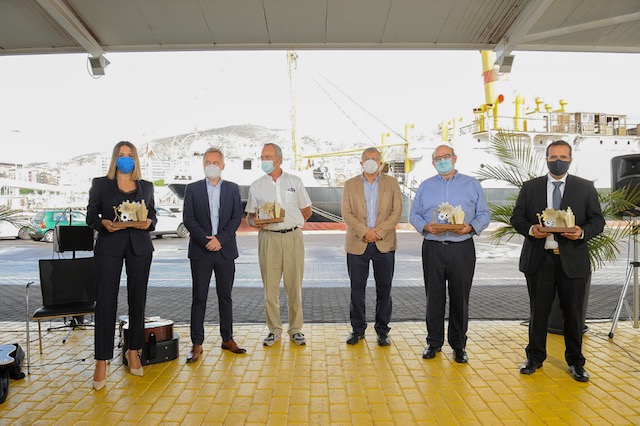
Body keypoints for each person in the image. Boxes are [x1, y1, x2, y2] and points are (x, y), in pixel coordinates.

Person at [511, 140, 604, 382]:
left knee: (572, 314)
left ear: (570, 160)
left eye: (563, 156)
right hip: (539, 260)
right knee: (538, 312)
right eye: (553, 157)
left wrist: (581, 232)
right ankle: (534, 358)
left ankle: (576, 362)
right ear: (546, 158)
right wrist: (531, 229)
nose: (558, 161)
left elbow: (598, 220)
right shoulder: (530, 187)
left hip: (572, 260)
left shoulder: (584, 188)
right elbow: (517, 218)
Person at [86, 141, 157, 390]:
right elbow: (90, 216)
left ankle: (133, 351)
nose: (125, 159)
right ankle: (101, 360)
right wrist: (102, 223)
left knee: (138, 300)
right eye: (121, 155)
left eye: (129, 155)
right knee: (105, 302)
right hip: (109, 247)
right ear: (114, 157)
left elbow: (153, 215)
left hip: (140, 247)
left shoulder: (146, 186)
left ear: (135, 159)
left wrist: (149, 222)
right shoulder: (100, 184)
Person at [409, 144, 490, 363]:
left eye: (446, 157)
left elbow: (484, 214)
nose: (442, 161)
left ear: (455, 158)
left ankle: (459, 345)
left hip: (462, 247)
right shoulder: (425, 187)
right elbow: (414, 214)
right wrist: (426, 227)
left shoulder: (472, 184)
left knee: (460, 298)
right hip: (433, 247)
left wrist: (471, 227)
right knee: (433, 297)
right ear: (433, 162)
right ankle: (433, 342)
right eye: (438, 158)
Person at [183, 147, 246, 363]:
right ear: (203, 165)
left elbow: (237, 217)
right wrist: (206, 240)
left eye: (216, 162)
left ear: (223, 165)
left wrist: (220, 239)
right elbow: (189, 219)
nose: (212, 165)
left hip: (225, 250)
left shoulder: (232, 189)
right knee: (199, 298)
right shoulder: (192, 189)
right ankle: (197, 343)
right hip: (201, 251)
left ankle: (227, 338)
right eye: (208, 162)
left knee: (225, 296)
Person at [245, 143, 312, 346]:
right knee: (270, 289)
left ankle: (296, 330)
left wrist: (291, 222)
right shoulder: (256, 185)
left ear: (279, 159)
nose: (263, 160)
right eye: (262, 156)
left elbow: (307, 210)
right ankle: (274, 330)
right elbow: (249, 217)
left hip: (293, 237)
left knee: (294, 287)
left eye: (267, 156)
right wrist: (256, 222)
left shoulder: (295, 181)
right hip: (268, 238)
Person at [342, 147, 402, 346]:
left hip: (384, 244)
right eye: (366, 158)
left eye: (374, 158)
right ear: (360, 162)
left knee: (384, 289)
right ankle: (357, 330)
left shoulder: (392, 184)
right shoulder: (350, 185)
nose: (370, 161)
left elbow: (396, 211)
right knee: (356, 290)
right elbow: (347, 213)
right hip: (357, 244)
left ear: (381, 163)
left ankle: (382, 330)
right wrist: (364, 231)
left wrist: (378, 232)